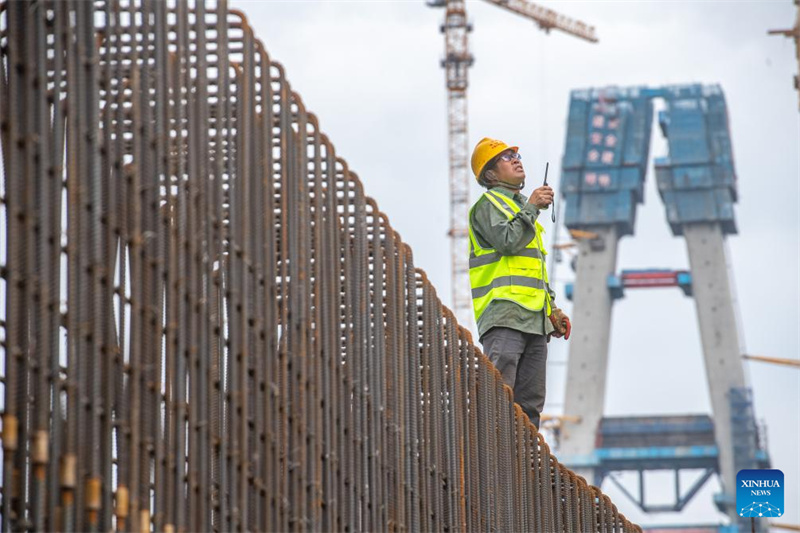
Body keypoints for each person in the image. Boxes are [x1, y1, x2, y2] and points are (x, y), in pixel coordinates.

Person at [468, 137, 571, 430]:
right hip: (505, 316)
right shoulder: (488, 205)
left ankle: (524, 466)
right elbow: (508, 242)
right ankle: (490, 458)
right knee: (498, 397)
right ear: (490, 174)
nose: (516, 159)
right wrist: (532, 207)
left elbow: (534, 269)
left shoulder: (522, 209)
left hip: (535, 321)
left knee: (530, 405)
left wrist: (553, 309)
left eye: (516, 154)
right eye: (506, 157)